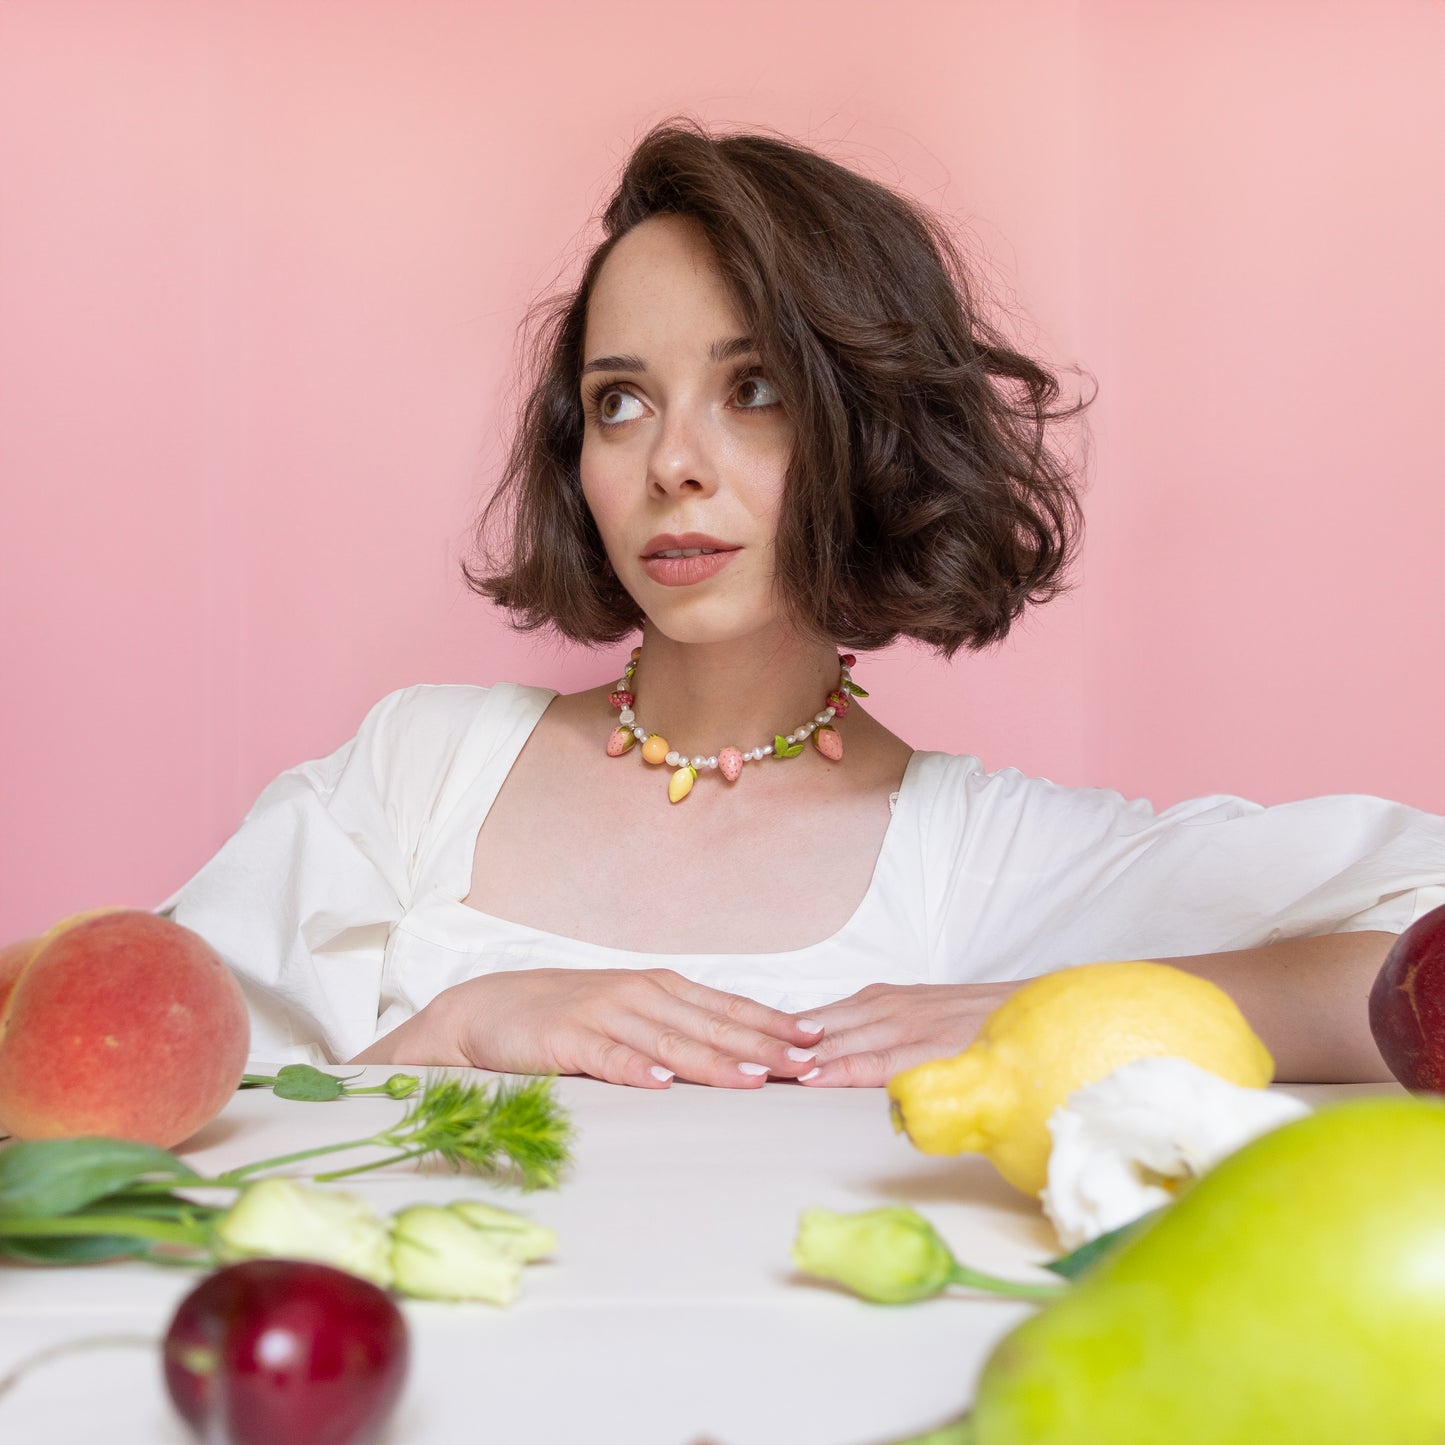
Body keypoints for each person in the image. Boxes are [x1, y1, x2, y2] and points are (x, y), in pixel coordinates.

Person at [161, 121, 1445, 1090]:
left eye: (753, 388)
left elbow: (1414, 967)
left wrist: (1051, 1002)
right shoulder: (420, 769)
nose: (672, 462)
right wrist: (453, 1031)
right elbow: (144, 1097)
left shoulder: (973, 857)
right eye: (619, 400)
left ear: (867, 426)